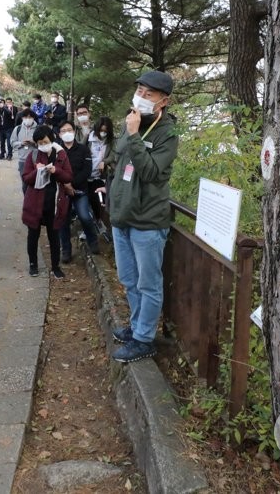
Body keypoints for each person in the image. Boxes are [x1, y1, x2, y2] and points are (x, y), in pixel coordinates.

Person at [109, 71, 179, 363]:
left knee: (148, 284)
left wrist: (136, 135)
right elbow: (118, 154)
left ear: (164, 101)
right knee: (129, 279)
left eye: (149, 93)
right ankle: (137, 328)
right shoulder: (132, 120)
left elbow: (150, 172)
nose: (141, 96)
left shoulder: (168, 134)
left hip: (148, 222)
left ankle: (144, 339)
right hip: (122, 215)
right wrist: (130, 132)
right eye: (139, 89)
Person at [21, 125, 73, 279]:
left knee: (54, 235)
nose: (43, 145)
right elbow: (25, 178)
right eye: (39, 143)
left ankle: (55, 266)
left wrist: (56, 171)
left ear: (52, 139)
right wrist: (36, 171)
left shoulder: (61, 155)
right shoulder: (34, 155)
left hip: (54, 203)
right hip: (35, 202)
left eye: (45, 141)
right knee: (33, 234)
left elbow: (69, 177)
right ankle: (33, 265)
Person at [56, 120, 100, 262]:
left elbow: (87, 170)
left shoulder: (83, 149)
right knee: (63, 220)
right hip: (63, 191)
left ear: (74, 132)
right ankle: (66, 250)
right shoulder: (56, 151)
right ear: (59, 134)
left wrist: (71, 184)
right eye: (63, 131)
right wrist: (65, 185)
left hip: (80, 190)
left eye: (69, 130)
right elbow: (55, 171)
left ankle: (93, 241)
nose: (67, 133)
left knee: (85, 216)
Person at [88, 116, 116, 226]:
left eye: (105, 131)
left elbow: (113, 155)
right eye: (101, 130)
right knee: (88, 200)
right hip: (88, 173)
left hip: (101, 175)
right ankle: (90, 225)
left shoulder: (111, 141)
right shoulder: (89, 138)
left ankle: (98, 222)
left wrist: (104, 161)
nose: (103, 133)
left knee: (99, 200)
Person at [10, 108, 39, 192]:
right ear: (22, 118)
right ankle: (27, 202)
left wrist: (34, 143)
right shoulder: (17, 129)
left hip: (36, 160)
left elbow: (44, 144)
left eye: (30, 117)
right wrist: (21, 143)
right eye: (25, 117)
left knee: (36, 183)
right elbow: (12, 143)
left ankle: (35, 202)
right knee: (25, 184)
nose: (28, 119)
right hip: (23, 161)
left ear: (33, 118)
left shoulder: (38, 129)